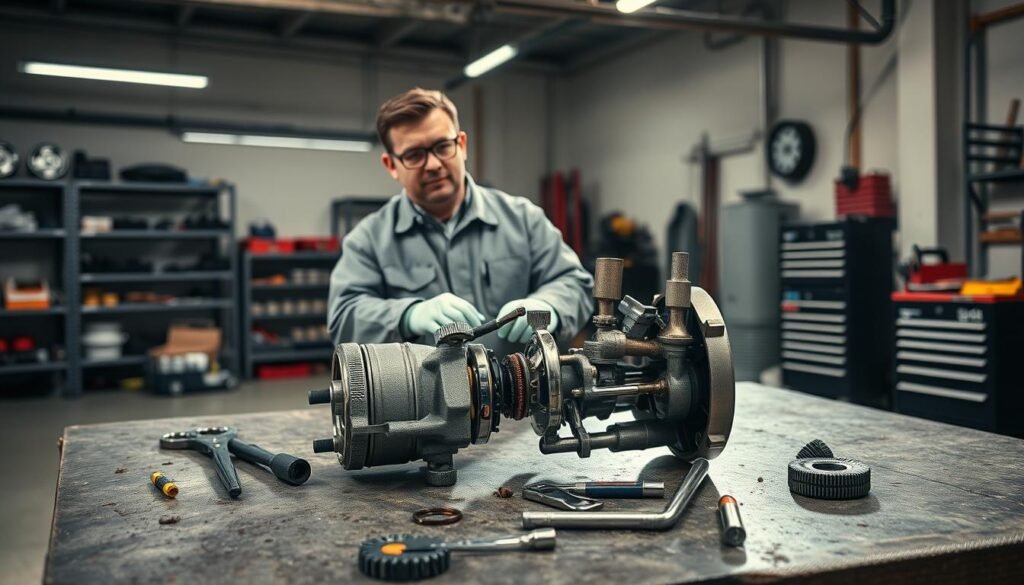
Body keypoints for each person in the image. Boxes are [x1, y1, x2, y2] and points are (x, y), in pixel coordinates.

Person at [328, 88, 593, 356]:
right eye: (414, 155)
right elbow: (343, 317)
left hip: (524, 394)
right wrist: (407, 315)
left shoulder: (524, 220)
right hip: (422, 397)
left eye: (442, 146)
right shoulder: (368, 240)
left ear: (462, 145)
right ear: (391, 165)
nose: (432, 164)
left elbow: (573, 282)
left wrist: (549, 306)